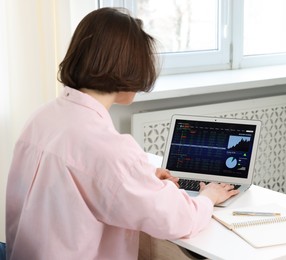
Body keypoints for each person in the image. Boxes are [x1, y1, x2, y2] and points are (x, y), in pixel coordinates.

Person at [5, 7, 239, 260]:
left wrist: (144, 178)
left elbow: (80, 183)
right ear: (127, 69)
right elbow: (178, 220)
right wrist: (208, 197)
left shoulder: (42, 117)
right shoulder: (109, 148)